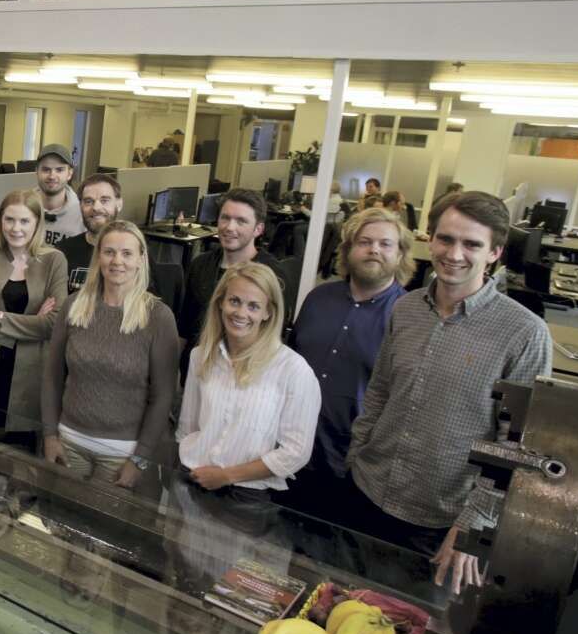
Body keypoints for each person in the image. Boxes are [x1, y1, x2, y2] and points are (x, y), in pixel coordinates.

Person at [346, 191, 552, 595]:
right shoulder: (405, 309)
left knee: (410, 623)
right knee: (346, 604)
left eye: (472, 244)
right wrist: (357, 453)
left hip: (442, 522)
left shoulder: (525, 334)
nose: (454, 254)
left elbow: (517, 446)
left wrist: (473, 523)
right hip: (368, 490)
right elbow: (381, 391)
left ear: (495, 252)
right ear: (430, 239)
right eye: (445, 239)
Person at [167, 262, 319, 577]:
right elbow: (187, 427)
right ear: (220, 302)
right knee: (187, 571)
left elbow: (296, 452)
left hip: (246, 502)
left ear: (268, 313)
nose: (241, 312)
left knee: (232, 583)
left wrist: (226, 475)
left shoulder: (293, 370)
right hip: (192, 483)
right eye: (234, 301)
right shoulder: (200, 356)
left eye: (253, 306)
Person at [283, 208, 412, 519]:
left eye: (385, 244)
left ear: (400, 254)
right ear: (348, 249)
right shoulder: (317, 298)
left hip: (352, 467)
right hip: (288, 449)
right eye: (364, 242)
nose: (374, 249)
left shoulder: (409, 316)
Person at [41, 220, 179, 494]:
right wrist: (49, 435)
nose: (117, 261)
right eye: (109, 252)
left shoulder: (158, 317)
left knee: (106, 520)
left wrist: (140, 458)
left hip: (122, 453)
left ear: (141, 259)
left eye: (127, 253)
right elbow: (52, 377)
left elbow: (163, 396)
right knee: (60, 515)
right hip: (69, 442)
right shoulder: (73, 306)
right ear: (98, 257)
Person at [0, 189, 67, 446]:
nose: (15, 228)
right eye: (9, 219)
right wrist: (33, 322)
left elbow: (53, 325)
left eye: (24, 221)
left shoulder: (54, 260)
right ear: (0, 220)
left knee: (21, 460)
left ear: (37, 223)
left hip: (30, 376)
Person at [176, 188, 286, 352]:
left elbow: (273, 336)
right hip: (197, 361)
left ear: (258, 229)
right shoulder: (200, 265)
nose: (229, 227)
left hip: (244, 363)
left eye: (241, 221)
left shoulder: (272, 275)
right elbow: (184, 328)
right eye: (225, 218)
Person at [57, 174, 122, 293]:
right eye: (88, 201)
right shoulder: (62, 252)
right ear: (80, 206)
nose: (96, 207)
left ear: (119, 204)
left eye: (104, 200)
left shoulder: (135, 252)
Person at [34, 143, 85, 247]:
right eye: (46, 169)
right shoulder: (23, 207)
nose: (52, 176)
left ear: (69, 173)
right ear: (37, 171)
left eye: (59, 170)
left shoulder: (82, 214)